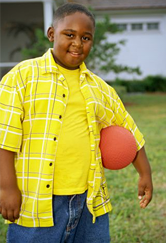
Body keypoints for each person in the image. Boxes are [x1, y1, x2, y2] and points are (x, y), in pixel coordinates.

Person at [0, 3, 153, 243]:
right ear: (52, 34)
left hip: (89, 202)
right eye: (69, 35)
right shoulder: (21, 77)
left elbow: (129, 129)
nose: (77, 43)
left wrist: (145, 173)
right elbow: (5, 137)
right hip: (36, 202)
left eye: (86, 37)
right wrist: (7, 188)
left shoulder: (100, 88)